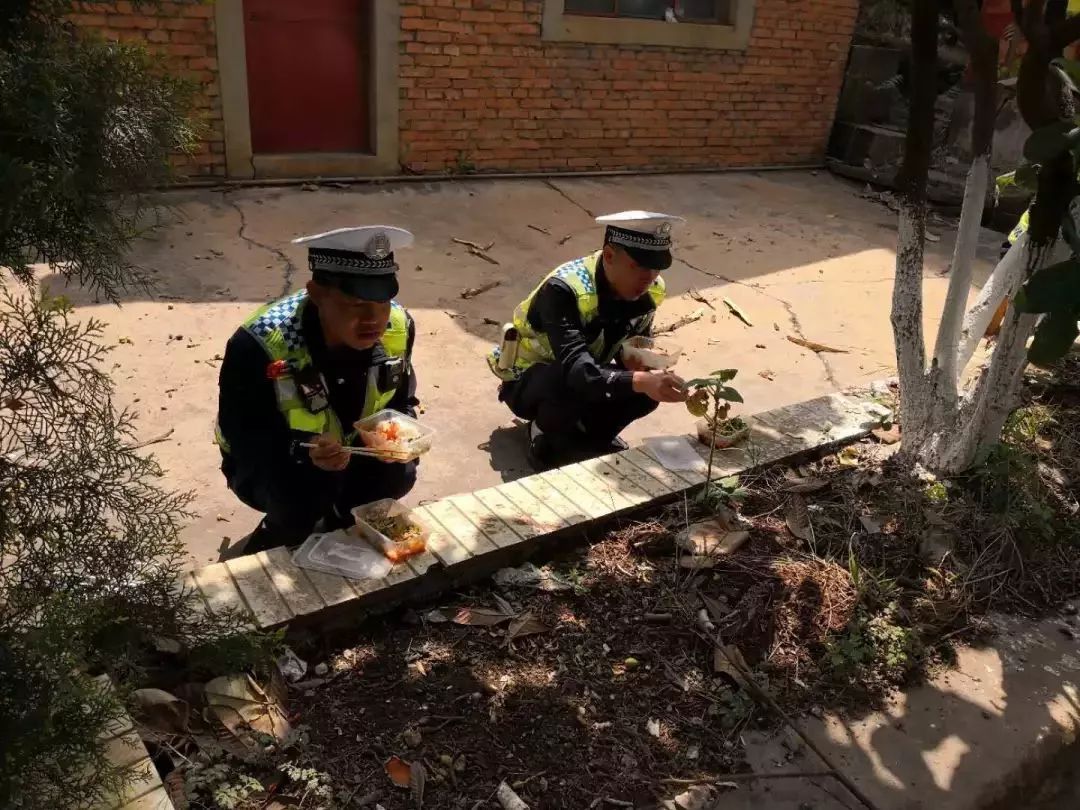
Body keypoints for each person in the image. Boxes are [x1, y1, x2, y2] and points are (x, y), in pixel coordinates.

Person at [216, 226, 419, 554]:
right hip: (273, 461)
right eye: (356, 304)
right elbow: (241, 435)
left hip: (352, 450)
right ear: (316, 293)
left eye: (383, 302)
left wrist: (395, 432)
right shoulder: (259, 343)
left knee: (397, 473)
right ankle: (281, 529)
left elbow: (401, 400)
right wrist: (304, 448)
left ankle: (343, 515)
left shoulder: (399, 326)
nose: (374, 319)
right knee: (303, 494)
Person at [487, 211, 689, 470]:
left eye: (656, 267)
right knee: (570, 381)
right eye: (638, 266)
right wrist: (638, 380)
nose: (648, 277)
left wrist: (640, 363)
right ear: (609, 256)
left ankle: (593, 433)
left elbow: (637, 340)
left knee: (646, 392)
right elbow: (575, 366)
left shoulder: (652, 287)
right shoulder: (564, 289)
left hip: (588, 374)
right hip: (533, 381)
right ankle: (543, 431)